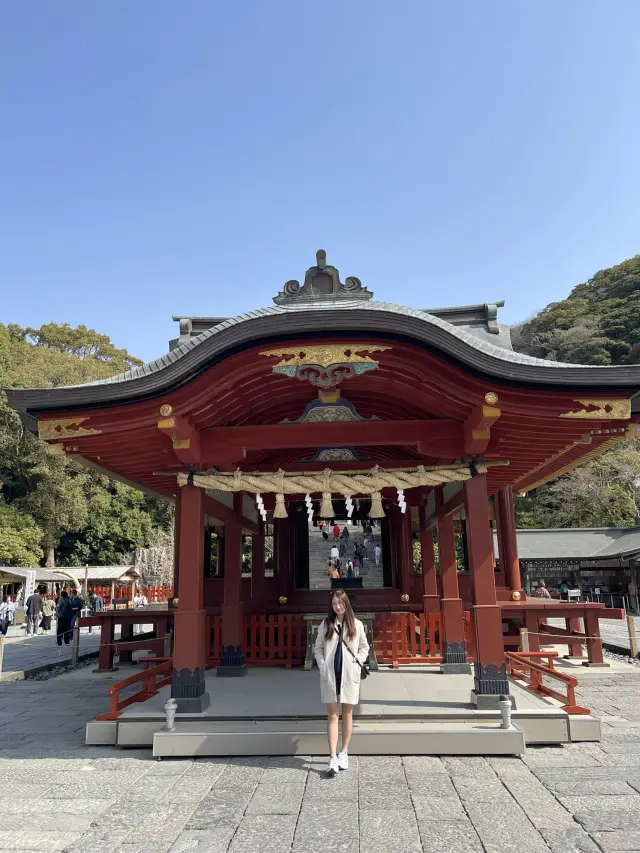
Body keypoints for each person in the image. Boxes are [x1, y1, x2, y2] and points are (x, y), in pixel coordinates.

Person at [314, 590, 369, 777]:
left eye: (340, 603)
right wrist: (322, 665)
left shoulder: (357, 625)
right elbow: (318, 648)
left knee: (347, 714)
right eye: (334, 603)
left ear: (346, 604)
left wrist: (357, 662)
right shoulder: (326, 624)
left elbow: (364, 647)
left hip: (348, 673)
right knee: (331, 714)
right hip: (331, 673)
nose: (337, 606)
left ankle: (344, 751)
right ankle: (332, 755)